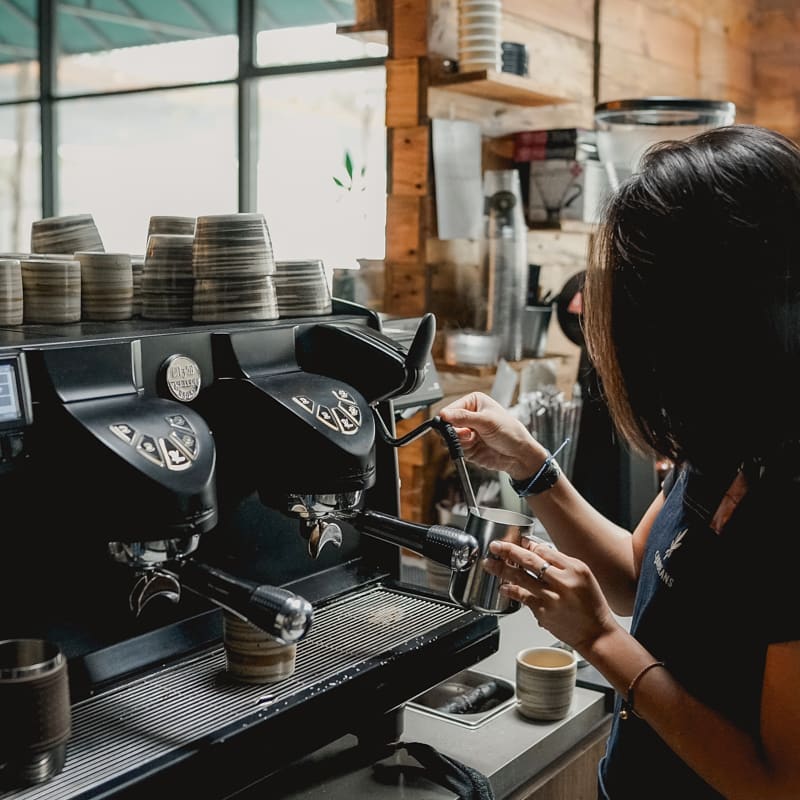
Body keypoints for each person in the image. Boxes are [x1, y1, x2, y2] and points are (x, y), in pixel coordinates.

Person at [439, 124, 800, 800]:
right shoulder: (728, 433)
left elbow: (779, 786)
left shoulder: (790, 498)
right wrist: (532, 466)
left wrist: (604, 642)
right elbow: (641, 577)